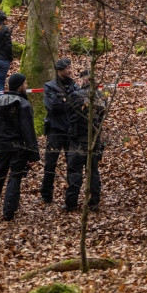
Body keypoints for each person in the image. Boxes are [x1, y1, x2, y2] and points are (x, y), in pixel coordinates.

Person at [0, 74, 39, 221]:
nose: (26, 86)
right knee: (15, 178)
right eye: (25, 84)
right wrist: (33, 154)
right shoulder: (23, 104)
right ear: (20, 86)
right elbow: (28, 131)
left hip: (1, 148)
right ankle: (8, 213)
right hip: (17, 148)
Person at [40, 58, 85, 204]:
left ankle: (71, 198)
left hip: (71, 131)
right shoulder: (50, 86)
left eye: (70, 67)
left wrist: (67, 101)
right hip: (55, 130)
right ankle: (46, 195)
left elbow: (80, 104)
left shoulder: (75, 86)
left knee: (72, 164)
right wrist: (69, 103)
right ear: (59, 70)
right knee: (50, 164)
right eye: (67, 68)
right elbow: (53, 106)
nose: (70, 70)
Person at [64, 76, 106, 212]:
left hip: (77, 140)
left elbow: (68, 114)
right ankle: (94, 202)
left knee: (74, 172)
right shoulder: (101, 97)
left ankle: (71, 203)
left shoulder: (76, 96)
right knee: (93, 172)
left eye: (81, 80)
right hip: (94, 140)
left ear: (85, 81)